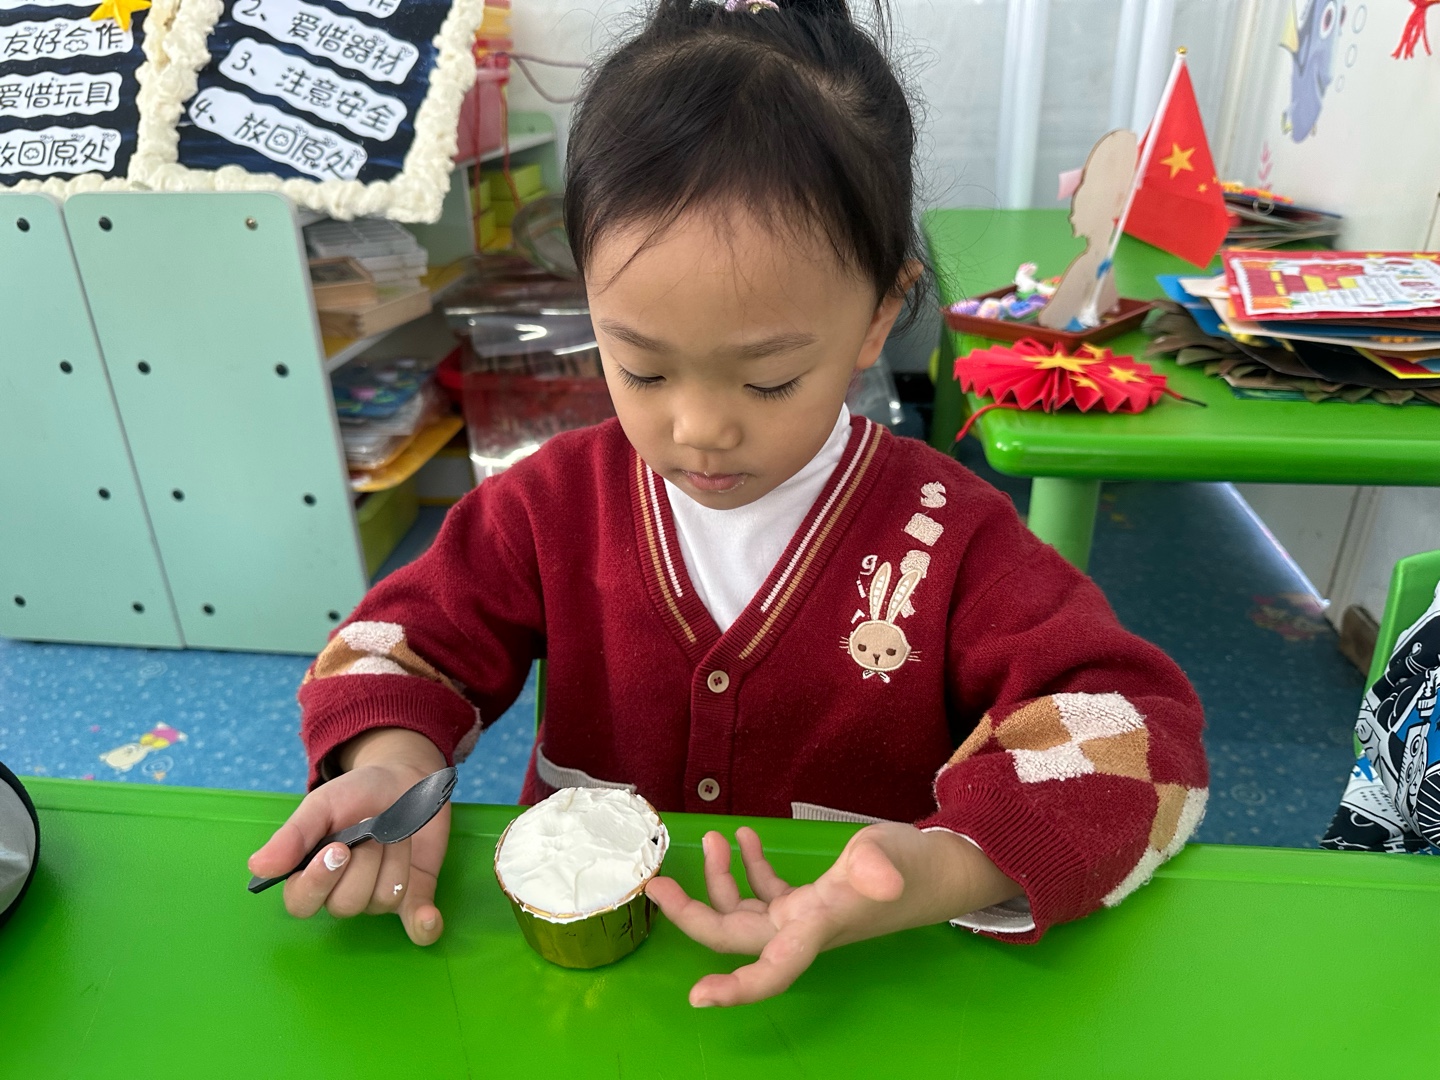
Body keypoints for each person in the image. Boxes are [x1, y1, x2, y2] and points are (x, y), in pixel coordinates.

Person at [248, 0, 1208, 1008]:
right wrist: (389, 762)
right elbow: (389, 647)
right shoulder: (550, 505)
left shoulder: (947, 537)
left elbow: (1143, 741)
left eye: (767, 380)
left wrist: (947, 866)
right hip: (589, 989)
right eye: (642, 368)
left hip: (857, 988)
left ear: (879, 313)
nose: (699, 429)